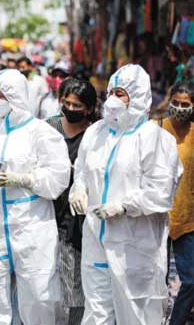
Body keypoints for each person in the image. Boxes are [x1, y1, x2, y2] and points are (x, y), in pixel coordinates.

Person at [68, 64, 183, 325]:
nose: (112, 100)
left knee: (136, 313)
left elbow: (162, 191)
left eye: (121, 94)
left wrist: (123, 206)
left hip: (134, 244)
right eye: (111, 92)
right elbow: (83, 170)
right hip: (96, 239)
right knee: (97, 312)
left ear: (139, 96)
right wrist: (79, 189)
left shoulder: (155, 138)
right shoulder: (95, 133)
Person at [0, 68, 71, 325]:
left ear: (16, 97)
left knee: (38, 294)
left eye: (0, 95)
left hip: (31, 226)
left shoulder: (40, 132)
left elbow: (58, 178)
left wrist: (26, 179)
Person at [45, 79, 98, 325]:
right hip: (45, 215)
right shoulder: (48, 129)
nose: (69, 108)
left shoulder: (96, 134)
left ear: (88, 109)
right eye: (65, 102)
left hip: (79, 221)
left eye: (76, 105)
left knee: (74, 287)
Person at [159, 83, 194, 325]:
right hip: (157, 216)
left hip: (187, 218)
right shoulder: (156, 130)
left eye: (186, 104)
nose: (180, 108)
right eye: (177, 103)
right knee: (155, 281)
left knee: (191, 280)